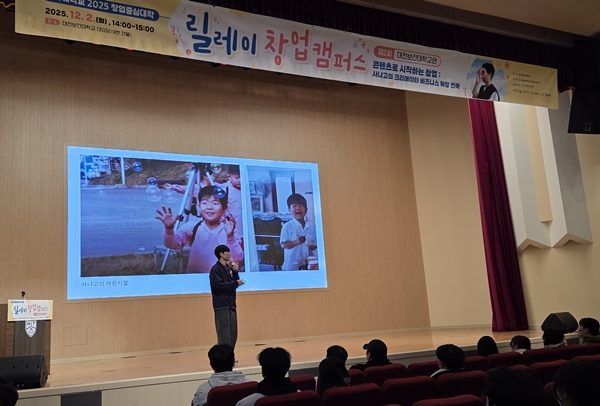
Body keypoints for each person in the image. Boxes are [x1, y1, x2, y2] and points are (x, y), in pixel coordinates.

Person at [157, 185, 243, 273]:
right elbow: (172, 244)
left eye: (215, 203)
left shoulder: (230, 230)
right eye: (204, 203)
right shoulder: (192, 227)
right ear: (198, 207)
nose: (209, 207)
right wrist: (169, 228)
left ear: (224, 209)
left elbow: (237, 257)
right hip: (196, 279)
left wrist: (230, 237)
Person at [210, 244, 244, 349]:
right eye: (227, 252)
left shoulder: (229, 268)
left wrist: (235, 271)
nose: (229, 254)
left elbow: (234, 282)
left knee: (233, 333)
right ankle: (224, 355)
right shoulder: (215, 269)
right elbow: (219, 286)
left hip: (231, 304)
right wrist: (236, 283)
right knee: (224, 333)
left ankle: (230, 355)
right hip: (221, 305)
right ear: (221, 254)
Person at [279, 193, 317, 271]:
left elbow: (313, 246)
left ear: (306, 209)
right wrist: (297, 242)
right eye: (294, 206)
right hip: (291, 267)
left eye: (301, 205)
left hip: (307, 266)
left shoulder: (311, 228)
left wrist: (313, 247)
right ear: (289, 210)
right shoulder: (287, 226)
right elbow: (283, 245)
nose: (298, 208)